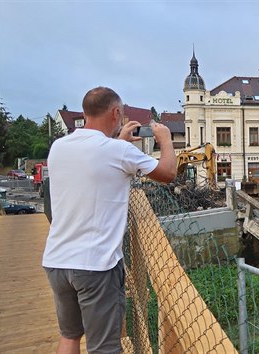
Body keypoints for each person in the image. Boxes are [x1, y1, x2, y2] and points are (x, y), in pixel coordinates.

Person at [42, 87, 177, 354]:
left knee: (69, 336)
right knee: (104, 348)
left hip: (57, 260)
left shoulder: (59, 146)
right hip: (95, 266)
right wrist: (166, 139)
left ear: (85, 113)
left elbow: (97, 166)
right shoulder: (117, 151)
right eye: (122, 115)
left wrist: (120, 141)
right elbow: (168, 173)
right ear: (116, 113)